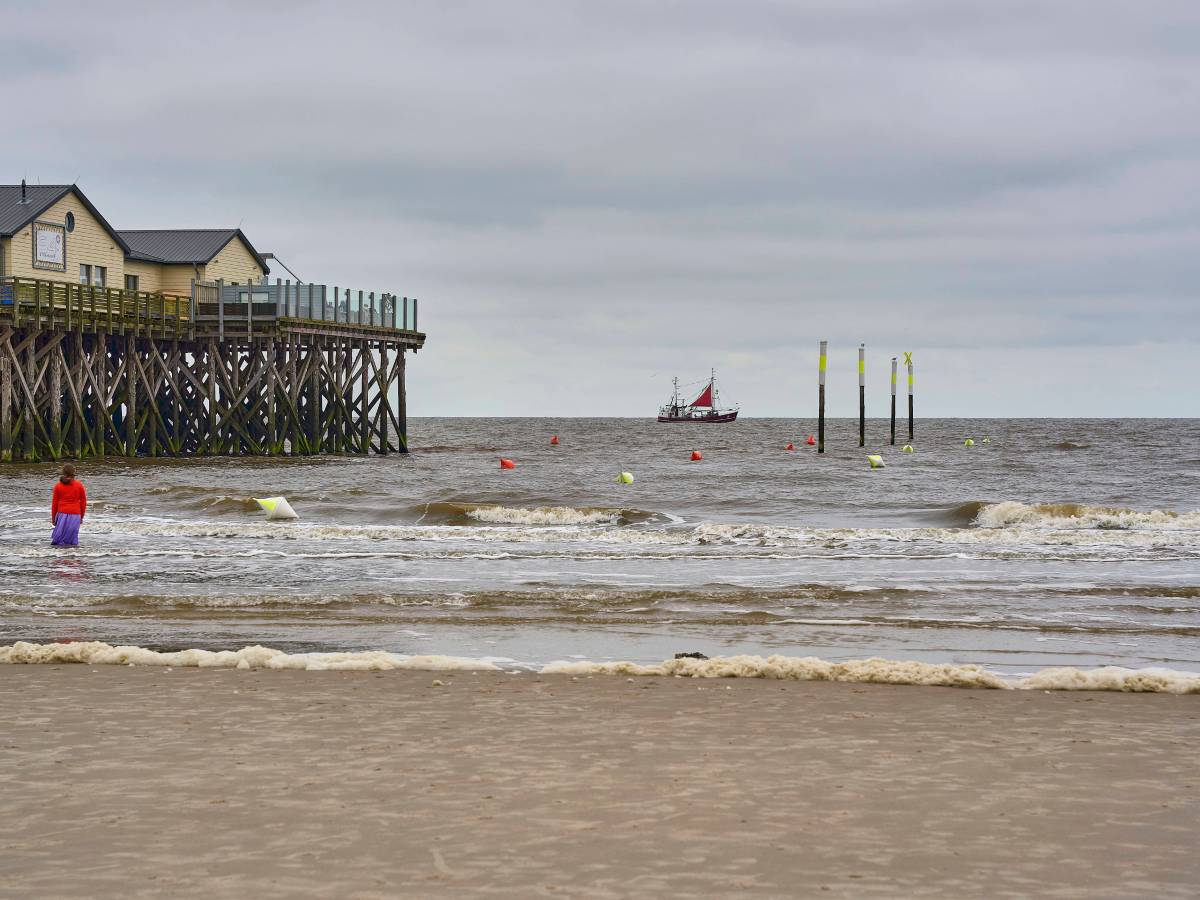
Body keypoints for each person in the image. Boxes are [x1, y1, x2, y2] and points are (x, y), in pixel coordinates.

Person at [51, 463, 87, 547]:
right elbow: (83, 502)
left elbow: (54, 503)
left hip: (61, 513)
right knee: (72, 540)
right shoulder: (79, 485)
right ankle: (72, 557)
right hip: (75, 514)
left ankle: (59, 557)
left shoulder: (58, 486)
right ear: (73, 473)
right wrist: (81, 517)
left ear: (63, 472)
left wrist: (53, 518)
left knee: (59, 539)